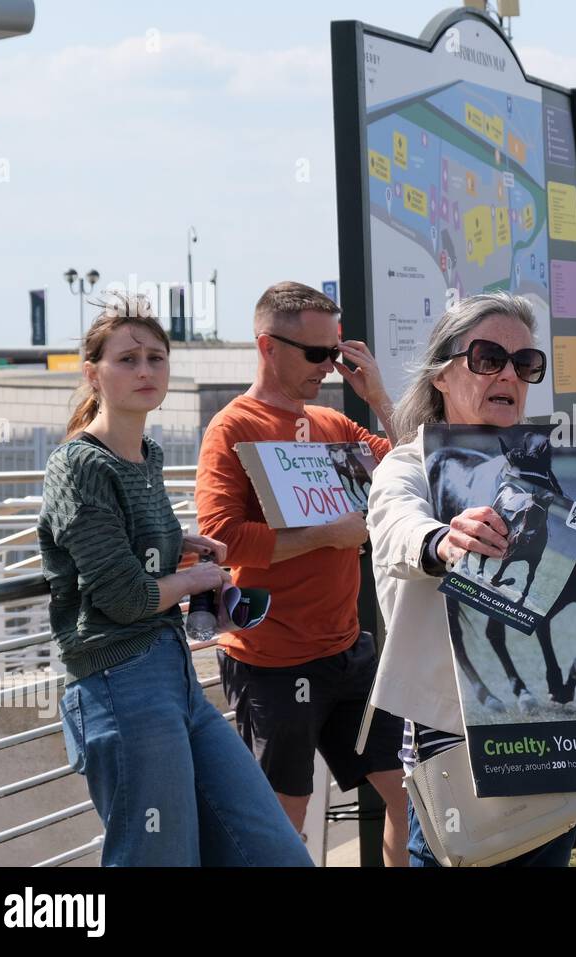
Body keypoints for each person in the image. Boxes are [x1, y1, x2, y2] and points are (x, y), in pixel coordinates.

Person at [362, 291, 576, 866]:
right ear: (442, 374)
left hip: (552, 743)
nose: (509, 374)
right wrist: (442, 539)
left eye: (525, 363)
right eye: (488, 357)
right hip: (455, 749)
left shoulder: (549, 469)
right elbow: (395, 527)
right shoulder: (407, 465)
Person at [39, 295, 311, 866]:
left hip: (176, 680)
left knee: (274, 853)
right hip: (121, 682)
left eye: (156, 358)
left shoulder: (147, 455)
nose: (145, 371)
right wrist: (199, 580)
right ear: (93, 374)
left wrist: (176, 544)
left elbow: (128, 549)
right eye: (128, 359)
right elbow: (123, 596)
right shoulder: (80, 463)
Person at [194, 281, 409, 865]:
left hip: (347, 651)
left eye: (335, 353)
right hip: (271, 661)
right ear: (267, 346)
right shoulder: (232, 428)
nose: (329, 367)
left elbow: (414, 462)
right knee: (284, 825)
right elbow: (220, 538)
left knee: (409, 794)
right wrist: (326, 535)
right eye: (316, 354)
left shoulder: (333, 423)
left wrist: (380, 396)